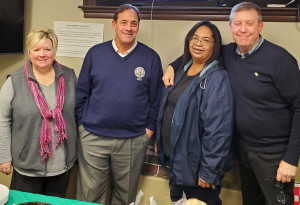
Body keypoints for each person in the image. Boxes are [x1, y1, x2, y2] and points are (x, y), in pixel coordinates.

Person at [163, 2, 300, 205]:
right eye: (237, 24)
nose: (243, 29)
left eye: (249, 23)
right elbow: (198, 53)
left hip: (273, 155)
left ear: (260, 26)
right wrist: (171, 66)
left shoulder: (280, 60)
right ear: (230, 27)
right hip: (243, 150)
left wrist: (290, 159)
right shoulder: (229, 53)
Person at [75, 4, 163, 205]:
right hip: (93, 138)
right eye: (123, 22)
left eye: (134, 23)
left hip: (132, 140)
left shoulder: (150, 58)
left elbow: (156, 99)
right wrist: (82, 126)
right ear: (114, 25)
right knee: (90, 196)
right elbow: (81, 94)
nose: (128, 27)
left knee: (124, 197)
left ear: (138, 27)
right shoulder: (95, 54)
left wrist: (148, 131)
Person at [156, 20, 235, 205]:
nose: (198, 44)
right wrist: (161, 139)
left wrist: (208, 172)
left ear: (215, 46)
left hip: (197, 172)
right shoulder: (183, 68)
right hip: (178, 164)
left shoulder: (216, 78)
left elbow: (218, 130)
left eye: (206, 40)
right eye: (195, 38)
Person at [0, 27, 78, 197]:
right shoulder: (14, 81)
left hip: (61, 165)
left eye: (47, 49)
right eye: (36, 49)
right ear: (29, 51)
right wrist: (4, 157)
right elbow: (2, 119)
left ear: (54, 51)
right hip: (27, 164)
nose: (42, 54)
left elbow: (77, 115)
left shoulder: (70, 77)